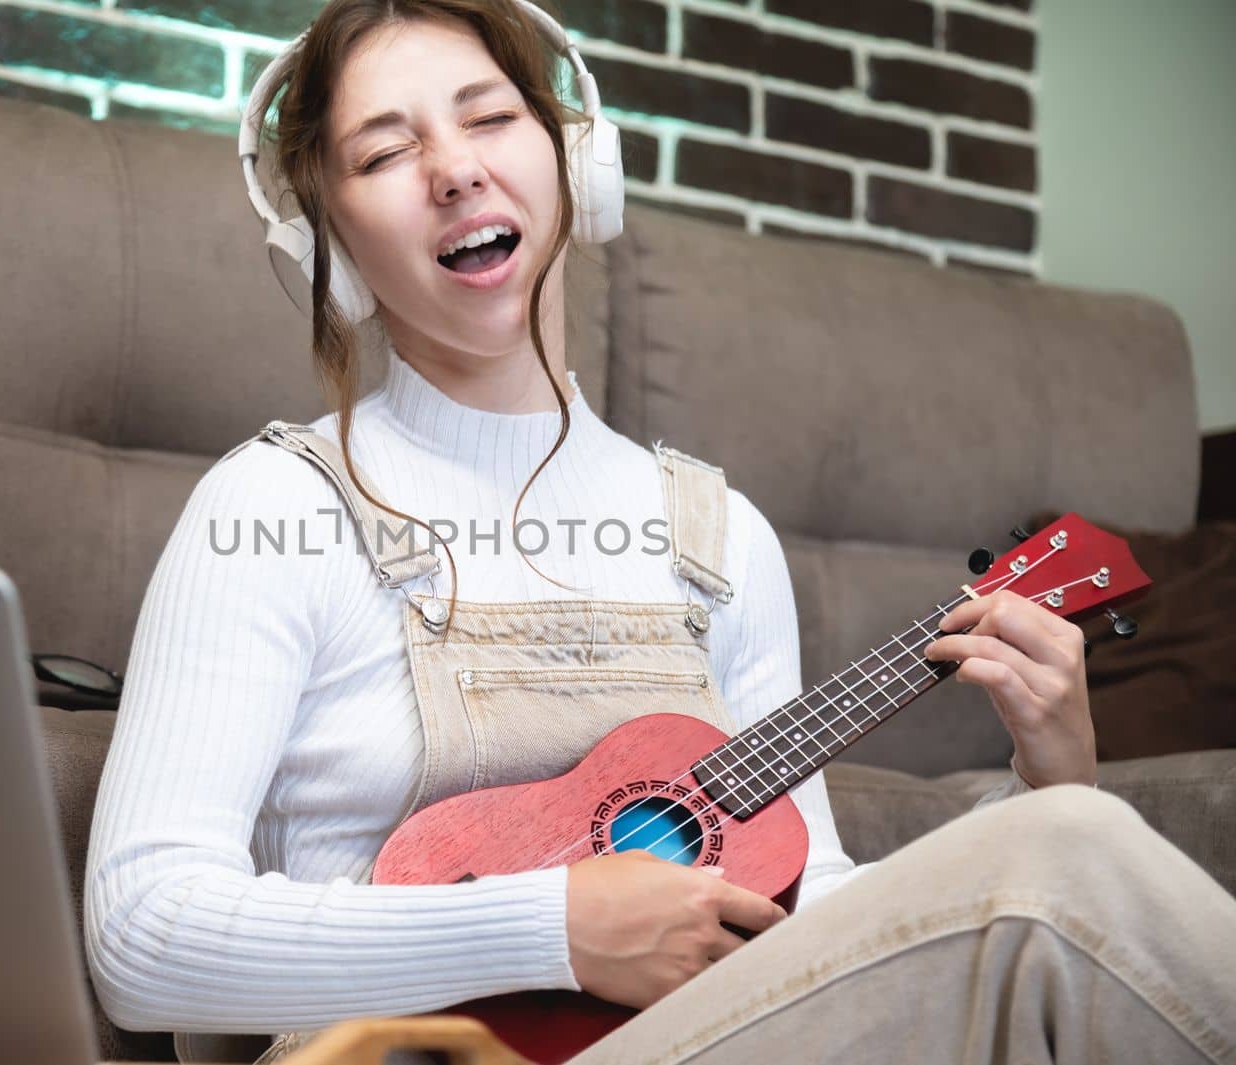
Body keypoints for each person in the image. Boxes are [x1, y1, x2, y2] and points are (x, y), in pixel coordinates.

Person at [83, 2, 1236, 1062]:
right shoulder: (276, 506)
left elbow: (811, 909)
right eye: (384, 153)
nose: (452, 169)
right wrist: (554, 928)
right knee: (1063, 865)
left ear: (577, 163)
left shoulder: (718, 533)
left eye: (490, 117)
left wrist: (1054, 785)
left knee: (1061, 847)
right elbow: (142, 937)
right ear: (325, 240)